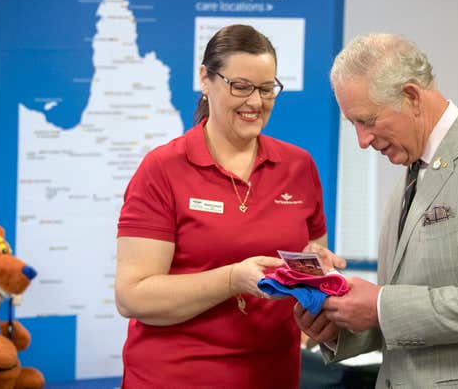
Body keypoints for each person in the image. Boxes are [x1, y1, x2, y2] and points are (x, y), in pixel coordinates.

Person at [295, 33, 458, 388]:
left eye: (367, 120)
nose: (362, 140)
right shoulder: (411, 176)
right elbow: (411, 316)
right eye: (352, 124)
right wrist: (342, 323)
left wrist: (379, 304)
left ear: (412, 96)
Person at [115, 24, 335, 388]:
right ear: (205, 78)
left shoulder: (298, 167)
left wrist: (319, 274)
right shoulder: (163, 169)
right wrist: (232, 279)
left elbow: (311, 271)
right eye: (241, 87)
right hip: (176, 376)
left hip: (272, 374)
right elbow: (132, 296)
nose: (255, 102)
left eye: (266, 89)